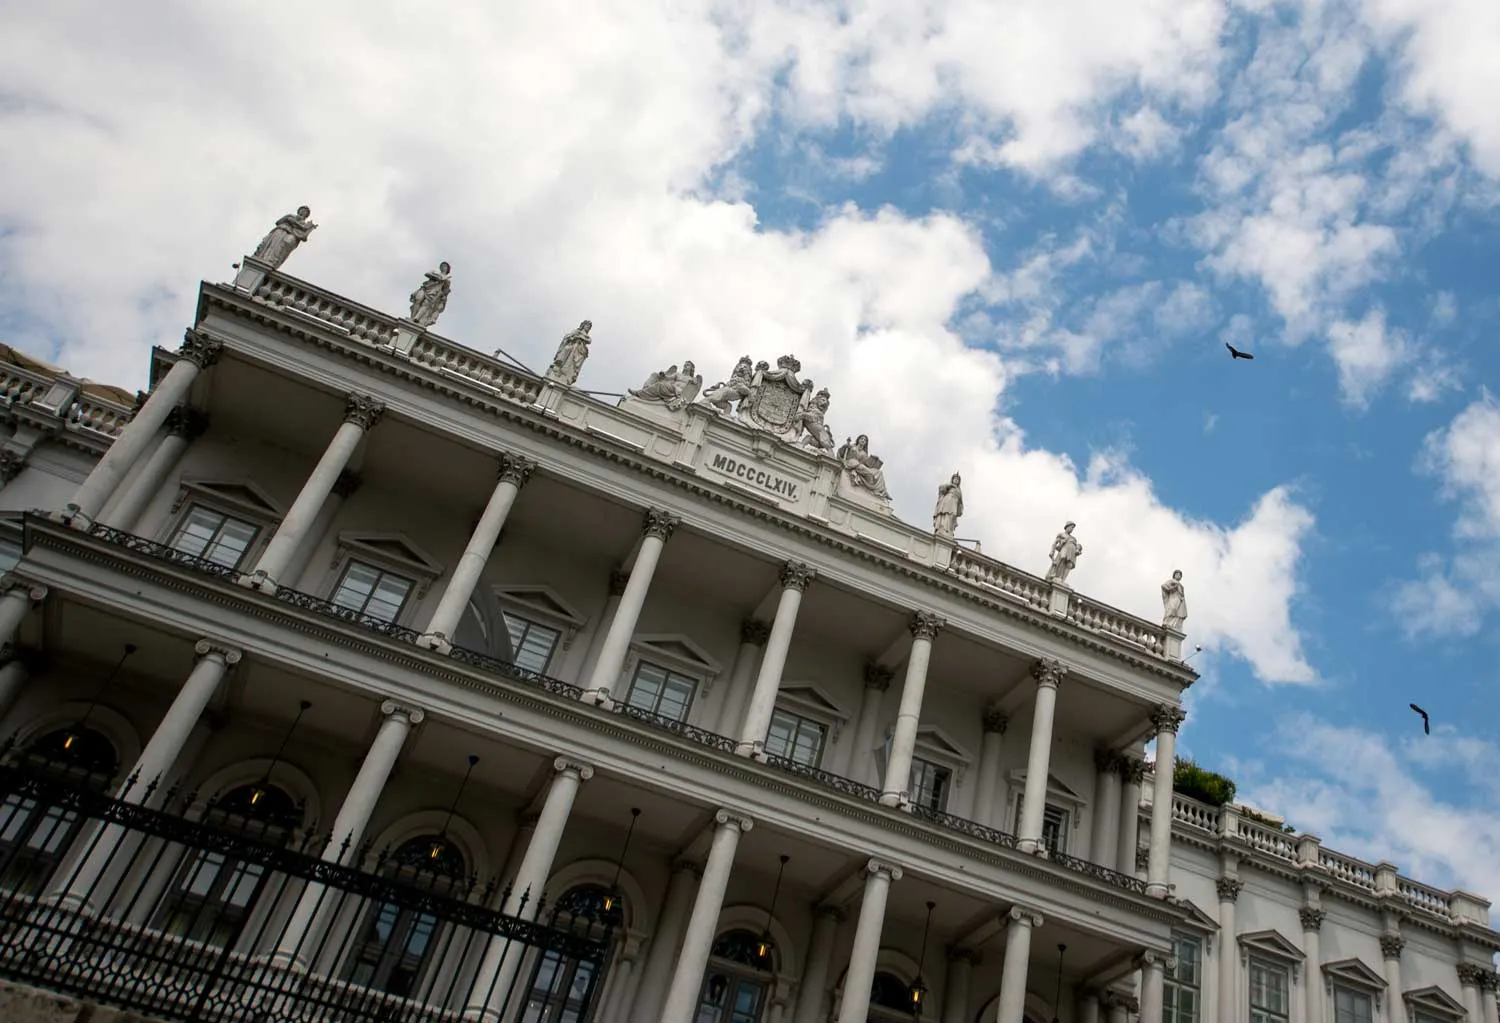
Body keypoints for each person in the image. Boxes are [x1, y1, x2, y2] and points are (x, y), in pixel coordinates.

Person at [933, 473, 964, 538]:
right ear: (952, 480)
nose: (956, 480)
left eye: (958, 480)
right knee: (945, 514)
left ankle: (949, 530)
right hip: (947, 501)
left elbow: (961, 501)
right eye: (955, 479)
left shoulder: (959, 490)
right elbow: (941, 488)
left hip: (954, 504)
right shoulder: (949, 486)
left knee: (952, 516)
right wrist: (950, 485)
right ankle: (943, 529)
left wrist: (960, 506)